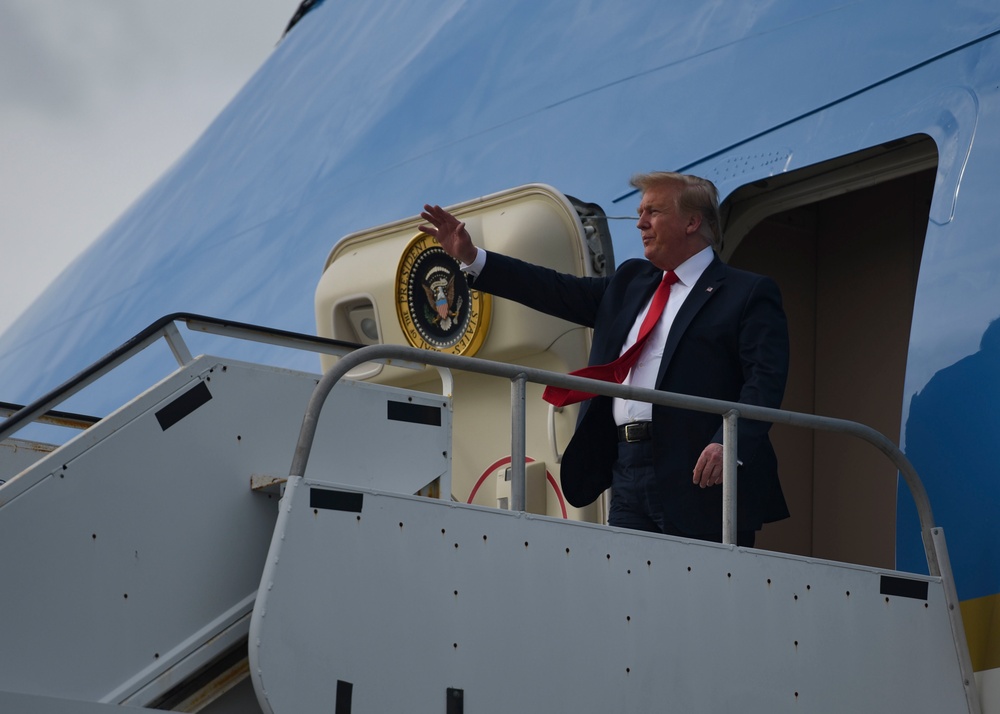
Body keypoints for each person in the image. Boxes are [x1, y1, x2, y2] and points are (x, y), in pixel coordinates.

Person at [419, 172, 789, 546]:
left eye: (653, 212)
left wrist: (731, 442)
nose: (641, 223)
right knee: (627, 596)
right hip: (627, 468)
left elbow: (765, 379)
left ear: (692, 222)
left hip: (701, 472)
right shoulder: (632, 281)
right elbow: (554, 290)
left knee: (698, 598)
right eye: (640, 212)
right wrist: (472, 257)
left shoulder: (746, 292)